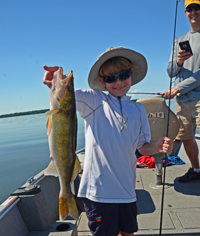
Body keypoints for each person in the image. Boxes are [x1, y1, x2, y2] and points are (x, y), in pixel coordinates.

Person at [43, 46, 173, 236]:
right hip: (98, 193)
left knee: (128, 232)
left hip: (127, 191)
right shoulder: (94, 101)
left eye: (124, 75)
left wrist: (157, 146)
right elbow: (66, 98)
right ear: (102, 81)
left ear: (132, 74)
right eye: (111, 78)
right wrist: (53, 82)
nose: (118, 82)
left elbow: (142, 148)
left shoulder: (139, 111)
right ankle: (67, 196)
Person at [165, 0, 200, 183]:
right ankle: (196, 170)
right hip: (182, 101)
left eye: (197, 8)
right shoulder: (179, 41)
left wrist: (179, 87)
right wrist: (178, 61)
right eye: (189, 9)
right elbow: (171, 72)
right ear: (185, 12)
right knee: (186, 138)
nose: (193, 12)